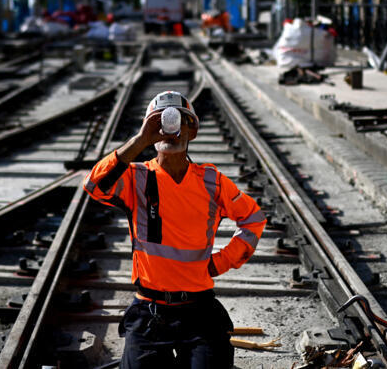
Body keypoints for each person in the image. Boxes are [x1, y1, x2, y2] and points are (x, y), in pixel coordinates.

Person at [83, 91, 267, 368]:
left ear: (192, 131)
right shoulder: (136, 177)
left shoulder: (211, 181)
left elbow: (253, 218)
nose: (170, 130)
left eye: (181, 122)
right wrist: (140, 140)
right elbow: (94, 186)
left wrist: (221, 262)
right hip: (149, 311)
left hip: (199, 312)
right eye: (160, 123)